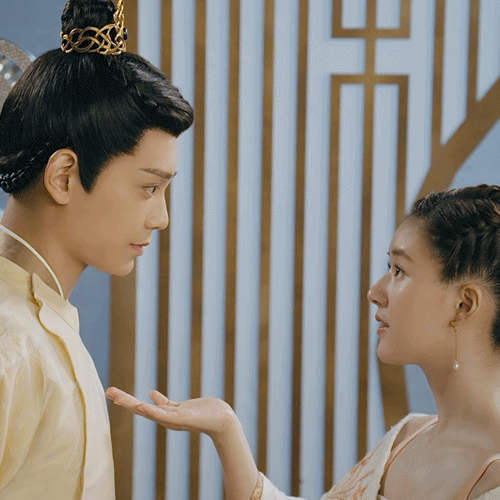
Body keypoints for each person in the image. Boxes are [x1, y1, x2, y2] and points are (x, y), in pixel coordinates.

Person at [107, 184, 500, 499]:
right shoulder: (405, 439)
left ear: (464, 304)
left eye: (399, 270)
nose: (375, 292)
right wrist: (225, 428)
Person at [0, 0, 193, 497]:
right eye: (149, 187)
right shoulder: (9, 345)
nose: (161, 217)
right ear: (64, 176)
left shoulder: (39, 321)